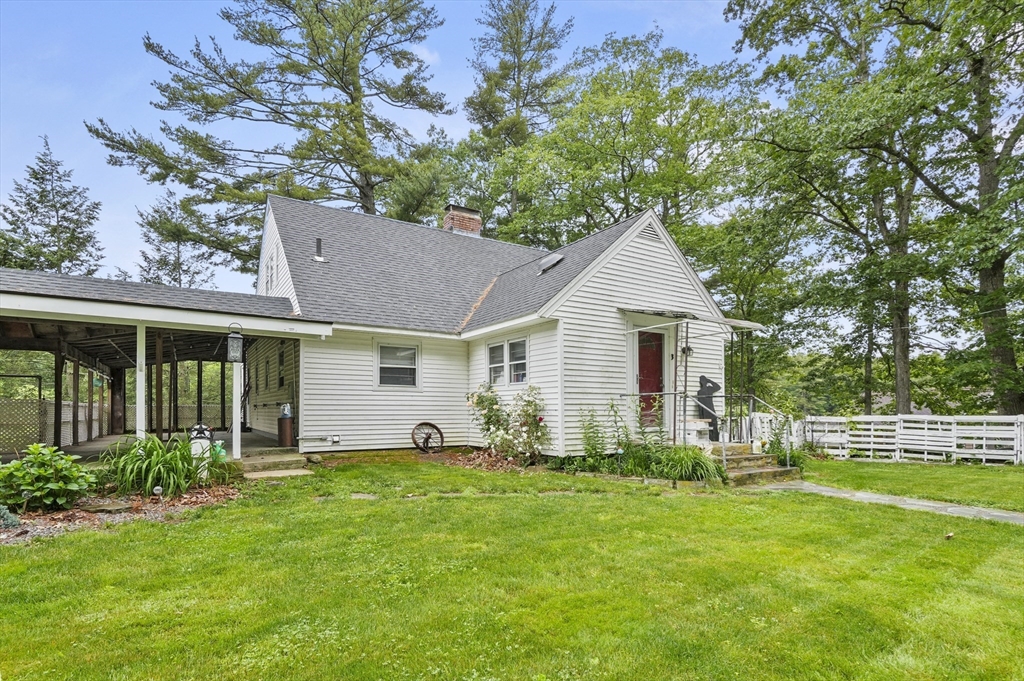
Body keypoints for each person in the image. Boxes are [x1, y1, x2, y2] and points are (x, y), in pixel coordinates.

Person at [696, 375, 721, 441]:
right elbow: (700, 404)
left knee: (712, 428)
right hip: (708, 412)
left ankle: (714, 440)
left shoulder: (705, 390)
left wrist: (701, 415)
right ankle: (713, 440)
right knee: (711, 428)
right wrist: (708, 380)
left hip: (708, 412)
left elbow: (718, 387)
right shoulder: (705, 391)